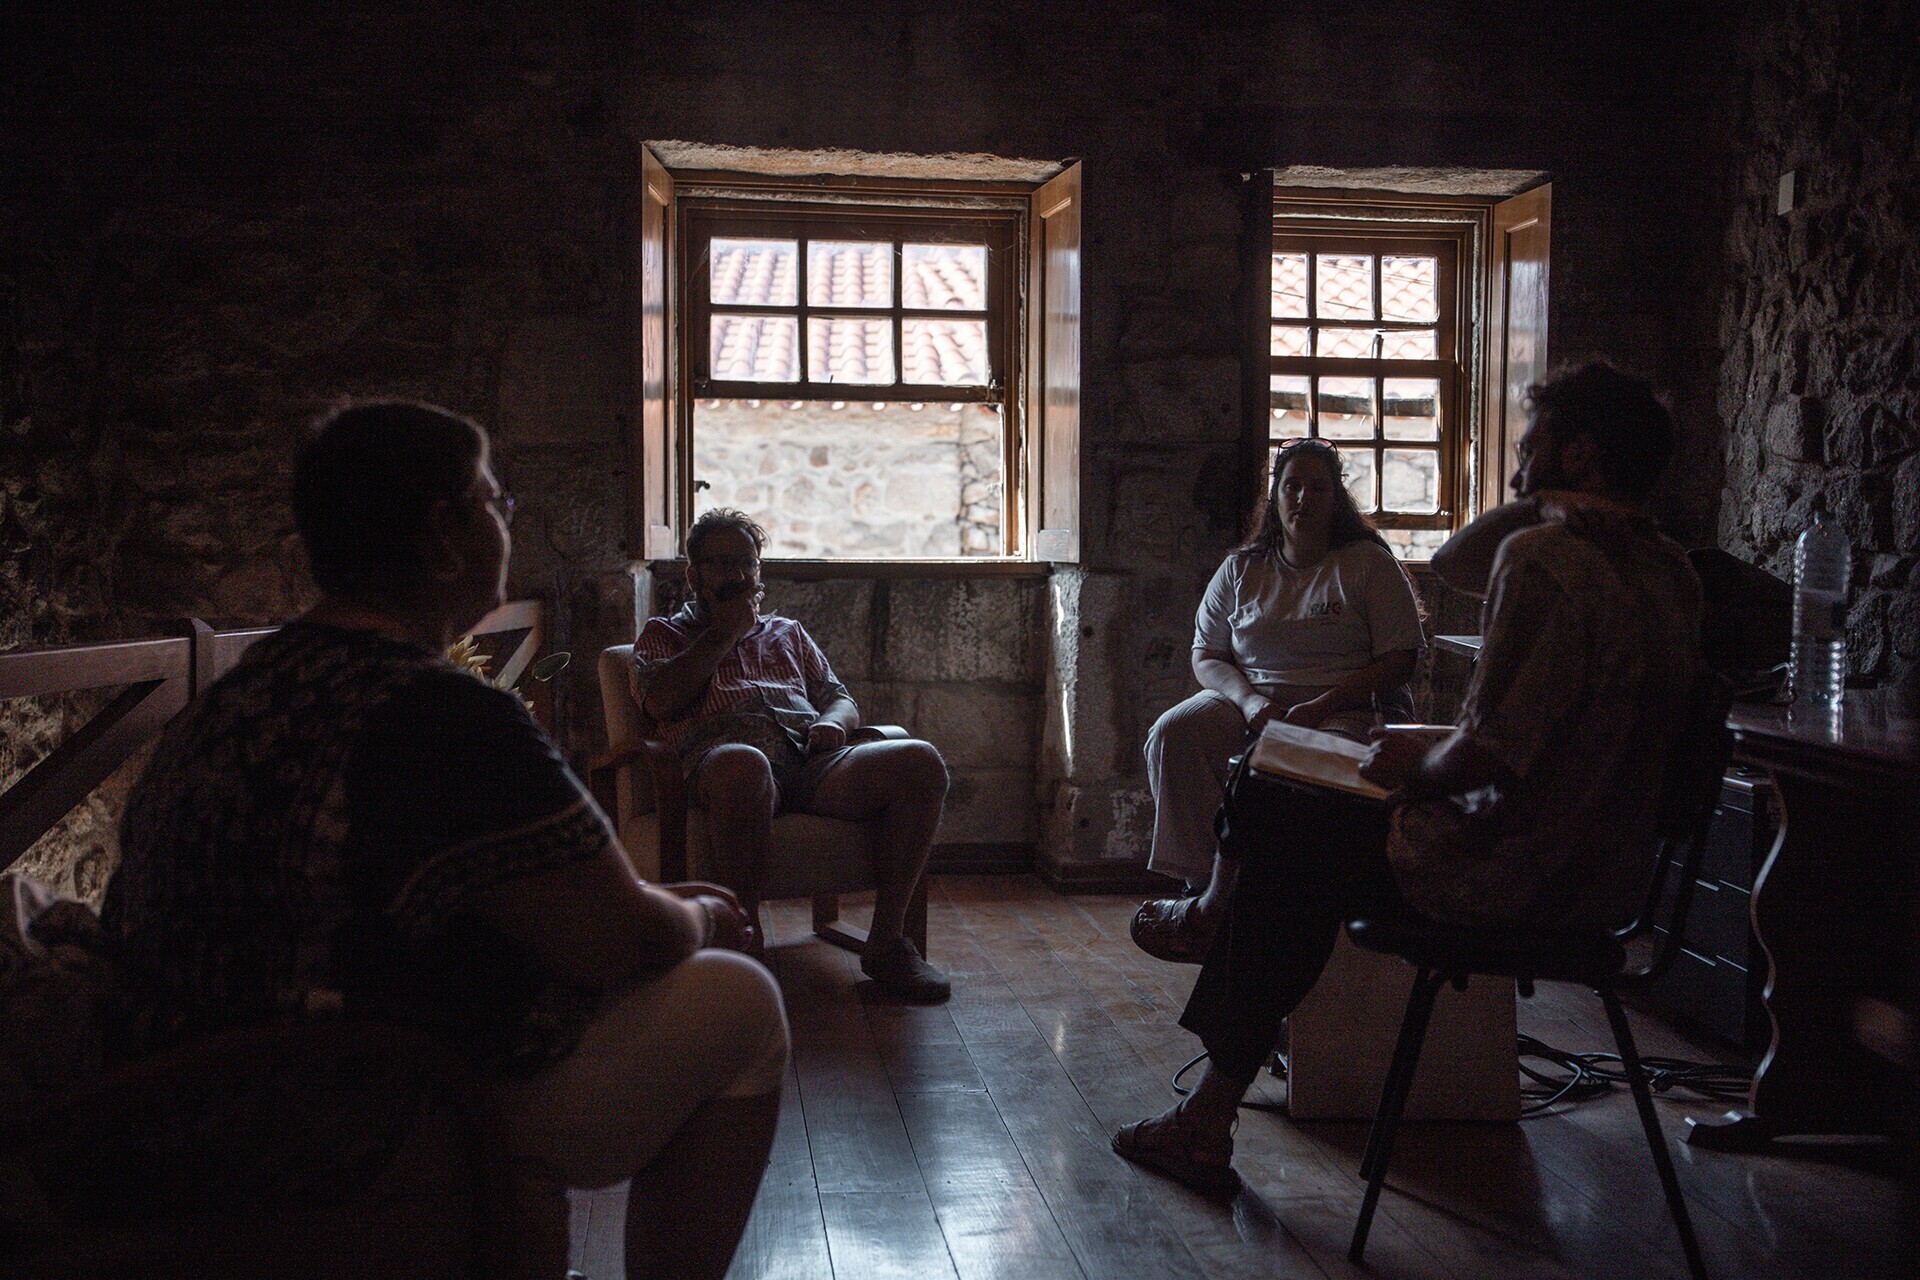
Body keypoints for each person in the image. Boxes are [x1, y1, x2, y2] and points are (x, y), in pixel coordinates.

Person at [102, 402, 786, 1280]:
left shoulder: (239, 694)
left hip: (154, 1101)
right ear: (443, 535)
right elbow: (622, 941)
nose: (509, 519)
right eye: (496, 500)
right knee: (741, 1004)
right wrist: (697, 915)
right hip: (313, 1115)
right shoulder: (439, 713)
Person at [1112, 363, 1705, 1195]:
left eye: (1530, 446)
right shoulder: (1672, 573)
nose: (1515, 466)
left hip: (1502, 869)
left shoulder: (1543, 562)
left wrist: (1414, 762)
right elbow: (1555, 731)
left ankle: (1207, 1074)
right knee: (1287, 806)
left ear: (1581, 455)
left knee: (1285, 823)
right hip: (1605, 878)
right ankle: (1208, 1074)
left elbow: (1483, 755)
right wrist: (1435, 744)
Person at [631, 508, 952, 1003]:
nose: (738, 575)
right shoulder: (663, 634)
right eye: (722, 563)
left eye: (747, 562)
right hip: (725, 764)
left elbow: (838, 696)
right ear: (693, 576)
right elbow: (659, 702)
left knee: (920, 761)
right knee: (744, 764)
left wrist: (833, 722)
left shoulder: (788, 632)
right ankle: (746, 945)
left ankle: (887, 944)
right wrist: (724, 632)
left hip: (810, 759)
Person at [1130, 437, 1424, 962]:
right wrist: (1246, 701)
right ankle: (1204, 887)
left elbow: (1401, 659)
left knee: (1300, 764)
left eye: (1318, 488)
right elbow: (1206, 655)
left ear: (1336, 497)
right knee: (1176, 731)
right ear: (1275, 496)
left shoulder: (1368, 564)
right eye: (1292, 487)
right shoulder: (1243, 568)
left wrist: (1323, 705)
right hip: (1255, 700)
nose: (1303, 499)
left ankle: (1273, 905)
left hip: (1345, 706)